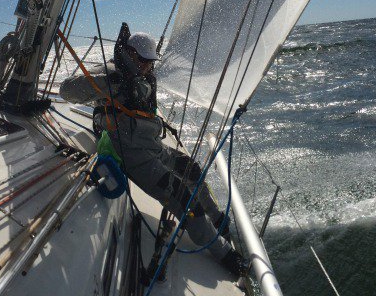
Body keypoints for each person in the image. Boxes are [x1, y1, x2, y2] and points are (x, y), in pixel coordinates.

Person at [59, 27, 247, 276]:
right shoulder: (111, 75)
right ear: (130, 54)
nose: (148, 66)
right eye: (144, 61)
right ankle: (223, 252)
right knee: (182, 197)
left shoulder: (143, 75)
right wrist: (109, 83)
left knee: (192, 170)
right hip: (132, 155)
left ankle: (217, 220)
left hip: (152, 145)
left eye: (151, 62)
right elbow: (65, 91)